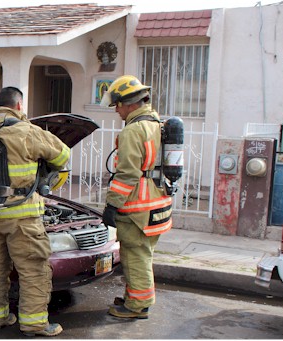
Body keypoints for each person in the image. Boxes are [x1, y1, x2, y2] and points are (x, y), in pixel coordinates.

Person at [0, 87, 70, 337]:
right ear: (19, 106)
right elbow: (64, 154)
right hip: (22, 217)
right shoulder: (29, 132)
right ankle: (34, 323)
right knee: (33, 269)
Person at [99, 75, 173, 319]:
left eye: (117, 105)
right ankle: (135, 297)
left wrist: (112, 204)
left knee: (135, 256)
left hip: (137, 208)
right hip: (157, 204)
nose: (117, 111)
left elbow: (127, 174)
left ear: (130, 103)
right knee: (143, 255)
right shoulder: (156, 124)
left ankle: (137, 306)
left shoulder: (133, 130)